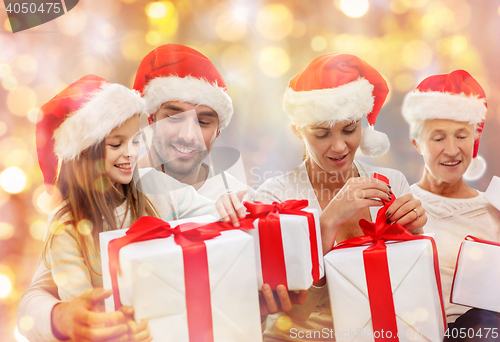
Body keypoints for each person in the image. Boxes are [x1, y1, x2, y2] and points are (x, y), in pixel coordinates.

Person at [17, 75, 245, 342]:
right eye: (116, 144)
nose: (130, 153)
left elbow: (213, 216)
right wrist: (100, 324)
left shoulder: (154, 187)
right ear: (84, 152)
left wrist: (226, 204)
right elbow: (79, 303)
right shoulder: (67, 224)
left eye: (136, 141)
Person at [255, 53, 427, 341]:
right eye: (322, 134)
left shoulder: (391, 183)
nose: (338, 146)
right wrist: (328, 223)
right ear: (297, 129)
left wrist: (416, 236)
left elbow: (412, 292)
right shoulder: (276, 197)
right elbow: (282, 321)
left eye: (349, 129)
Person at [402, 70, 500, 341]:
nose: (452, 150)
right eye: (438, 138)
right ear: (417, 143)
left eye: (461, 135)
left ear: (475, 139)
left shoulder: (495, 211)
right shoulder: (400, 208)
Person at [133, 44, 254, 201]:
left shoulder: (241, 200)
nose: (188, 136)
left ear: (218, 131)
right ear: (151, 119)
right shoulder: (112, 192)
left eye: (203, 122)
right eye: (174, 118)